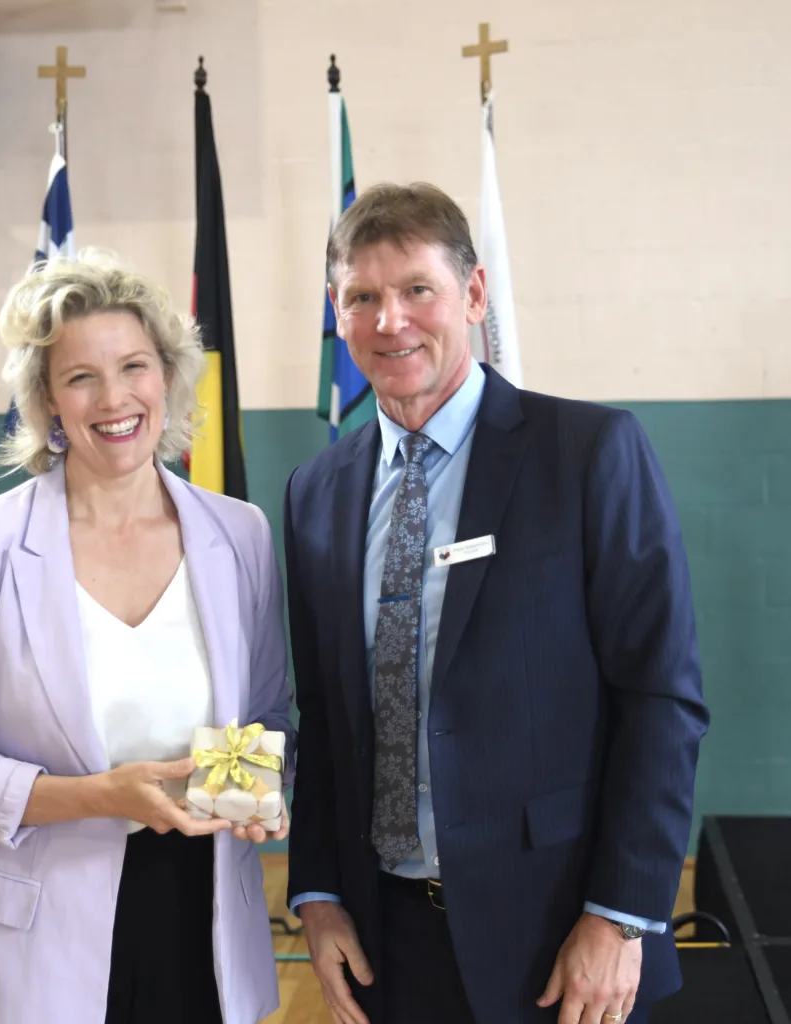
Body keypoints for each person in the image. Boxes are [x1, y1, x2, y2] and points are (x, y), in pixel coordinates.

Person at [283, 183, 709, 1024]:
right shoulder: (314, 492)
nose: (389, 321)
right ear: (337, 313)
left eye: (416, 290)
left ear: (472, 296)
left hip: (560, 936)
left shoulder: (587, 453)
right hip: (386, 942)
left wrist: (619, 916)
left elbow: (660, 699)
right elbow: (325, 716)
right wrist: (320, 893)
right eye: (361, 297)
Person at [0, 250, 294, 1024]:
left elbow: (270, 718)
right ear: (45, 400)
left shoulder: (238, 534)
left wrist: (263, 795)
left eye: (134, 366)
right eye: (81, 377)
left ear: (168, 377)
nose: (114, 398)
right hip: (32, 935)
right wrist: (93, 796)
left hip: (202, 917)